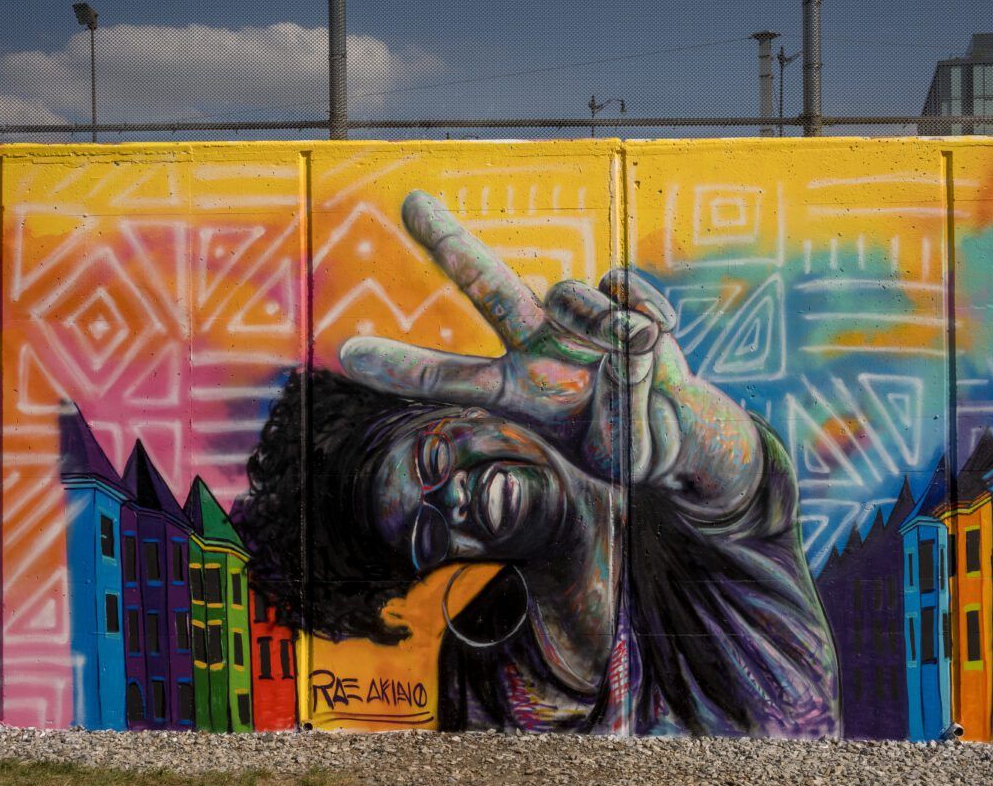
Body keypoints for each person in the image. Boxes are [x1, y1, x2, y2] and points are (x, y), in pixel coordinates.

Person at [237, 191, 838, 737]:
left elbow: (730, 470)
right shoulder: (482, 676)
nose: (454, 502)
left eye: (433, 458)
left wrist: (671, 429)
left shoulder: (692, 521)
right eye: (428, 532)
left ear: (465, 408)